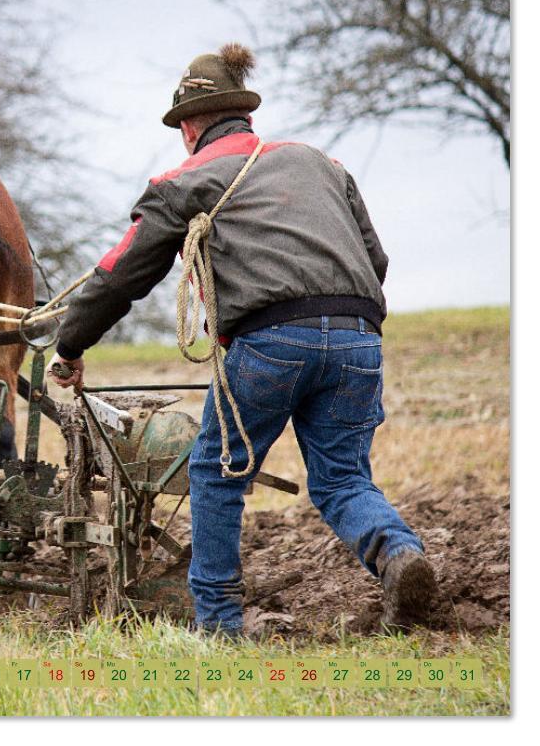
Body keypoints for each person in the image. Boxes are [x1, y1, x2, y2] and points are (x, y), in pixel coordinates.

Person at [48, 43, 438, 635]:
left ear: (187, 127)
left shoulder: (184, 181)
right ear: (244, 115)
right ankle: (397, 555)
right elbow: (374, 259)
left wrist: (71, 345)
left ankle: (219, 623)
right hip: (361, 337)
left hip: (268, 343)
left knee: (216, 472)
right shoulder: (322, 164)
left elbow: (121, 273)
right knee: (341, 480)